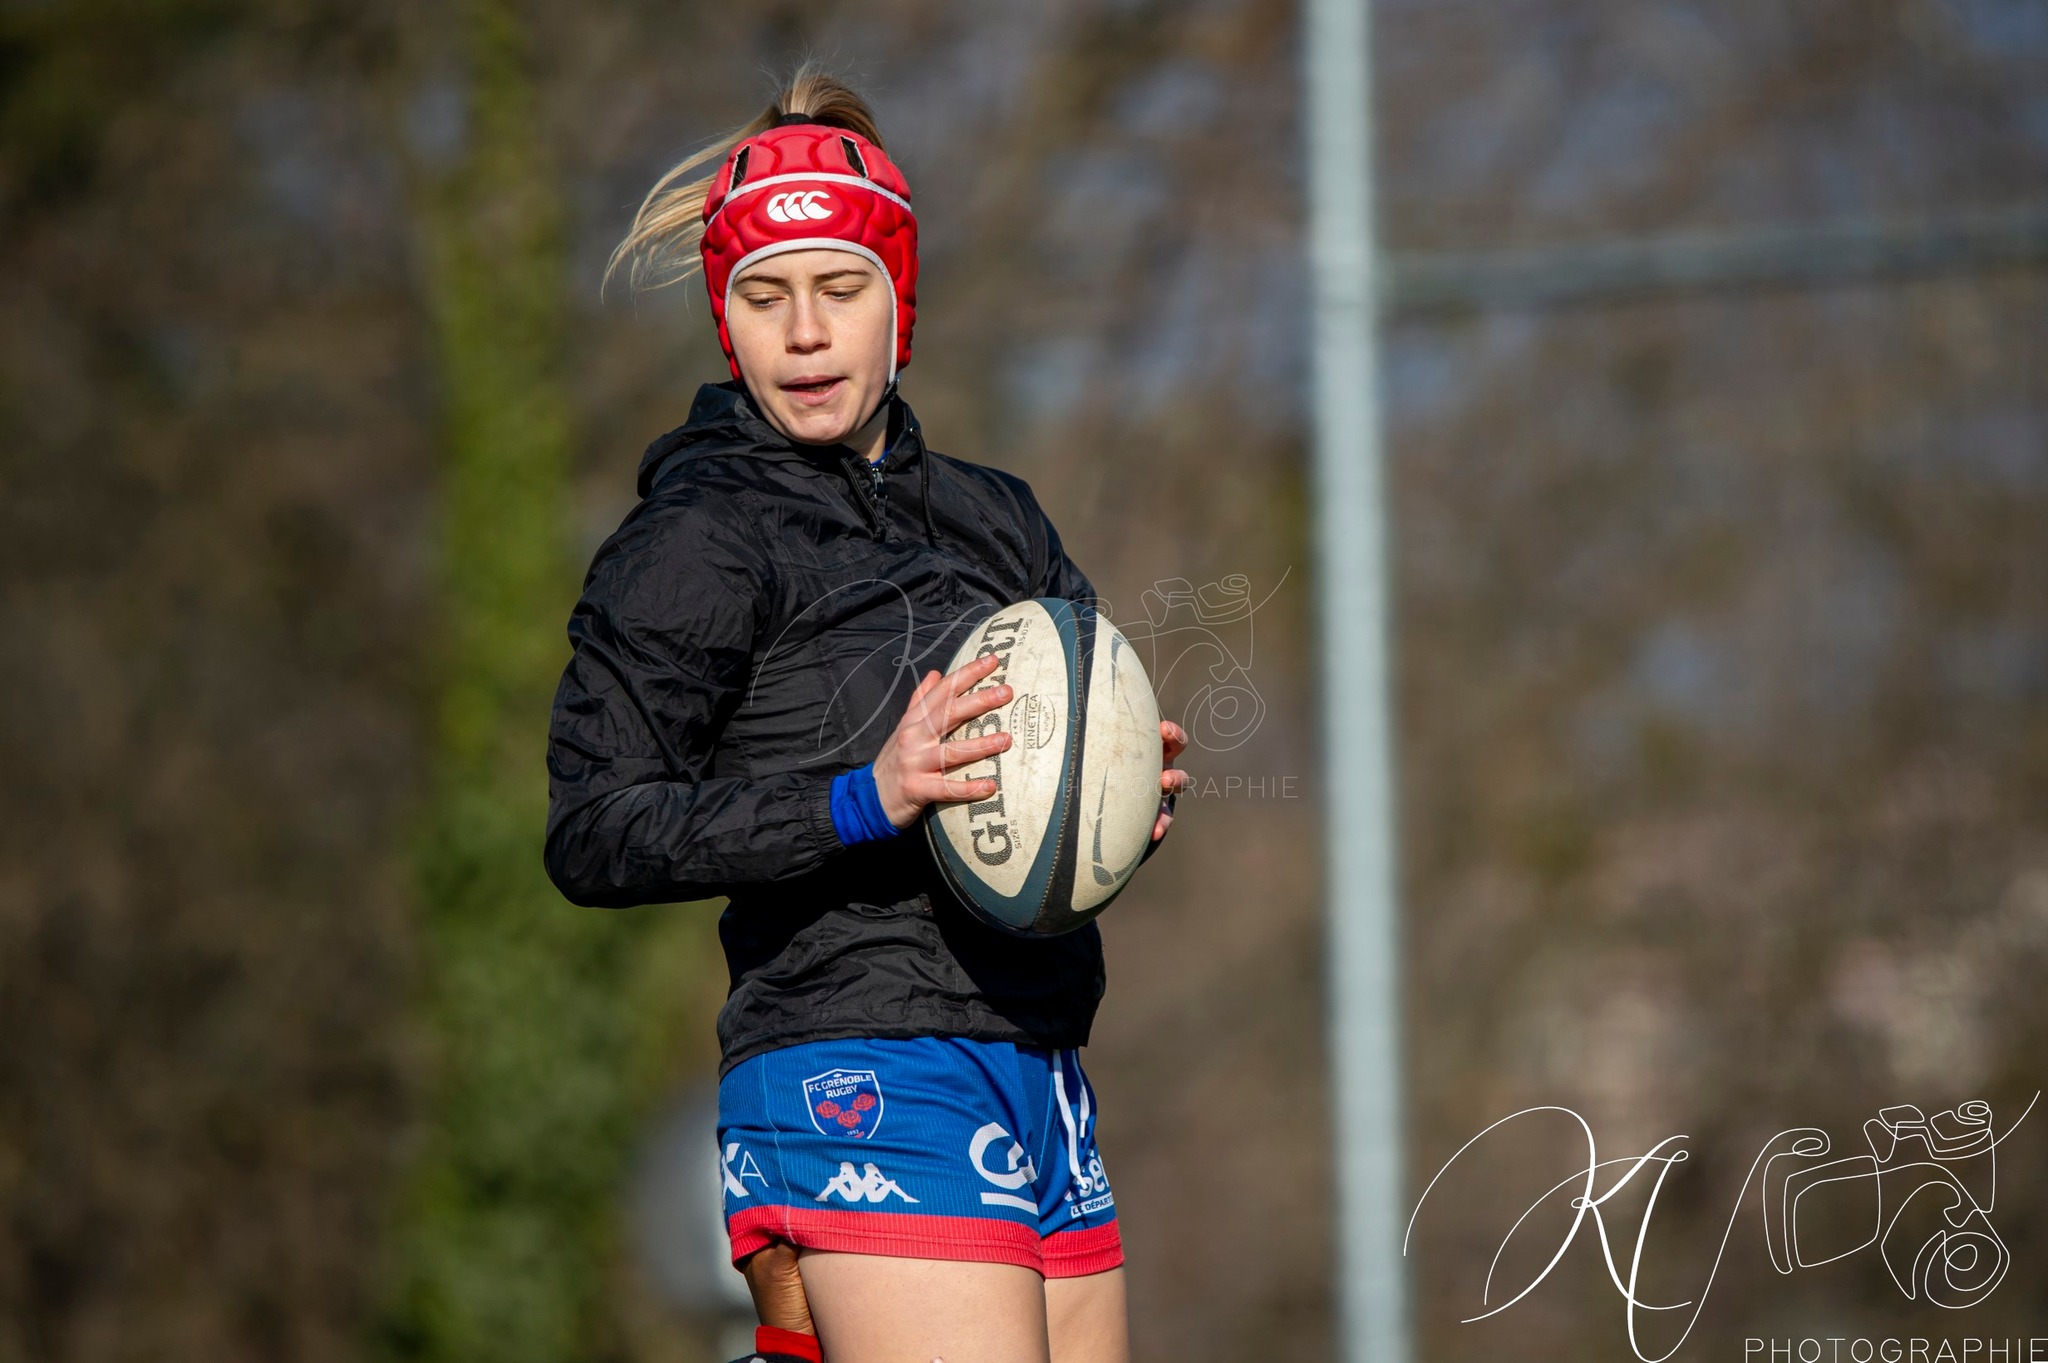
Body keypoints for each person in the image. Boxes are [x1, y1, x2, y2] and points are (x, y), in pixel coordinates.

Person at [545, 64, 1188, 1363]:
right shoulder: (699, 539)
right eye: (764, 298)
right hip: (858, 1061)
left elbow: (1062, 754)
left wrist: (1117, 798)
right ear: (727, 323)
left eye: (840, 290)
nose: (804, 331)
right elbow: (594, 829)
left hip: (1040, 1056)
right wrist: (867, 796)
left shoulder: (997, 516)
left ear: (901, 304)